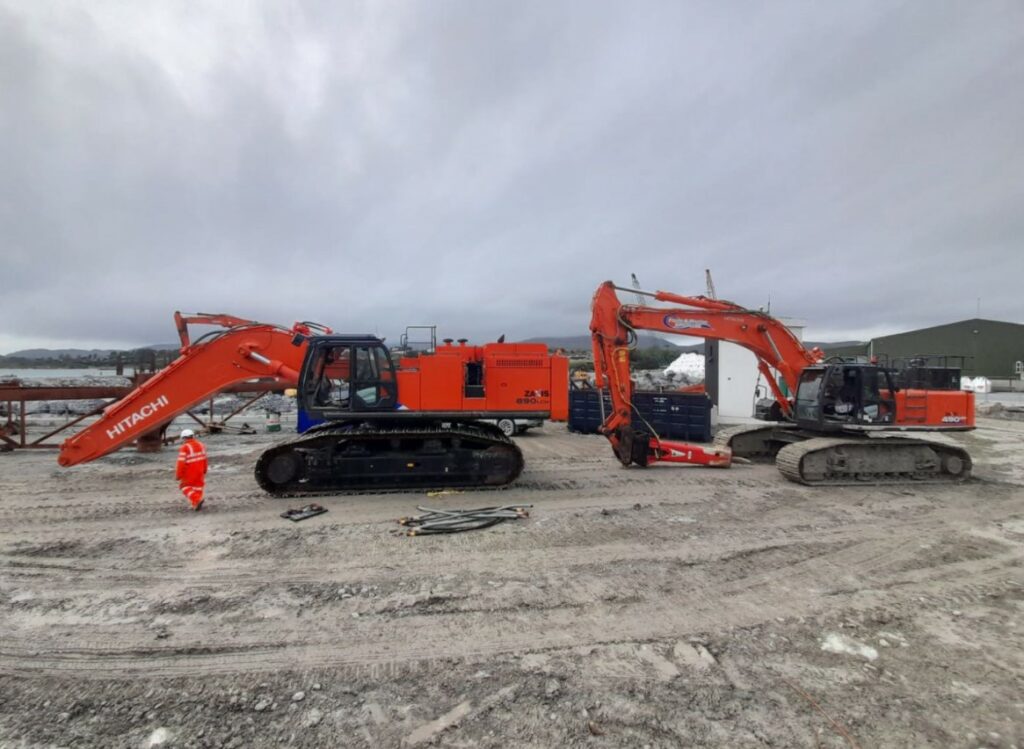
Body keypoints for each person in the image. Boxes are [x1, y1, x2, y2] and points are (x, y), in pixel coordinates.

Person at [176, 428, 208, 511]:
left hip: (189, 472)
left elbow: (181, 463)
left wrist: (178, 475)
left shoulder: (185, 447)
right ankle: (195, 504)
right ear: (193, 436)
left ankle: (197, 500)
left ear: (183, 438)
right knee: (198, 487)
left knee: (184, 486)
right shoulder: (201, 445)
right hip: (200, 471)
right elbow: (205, 459)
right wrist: (205, 469)